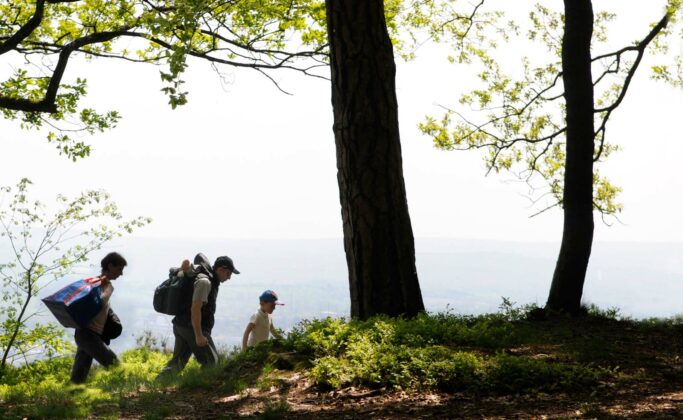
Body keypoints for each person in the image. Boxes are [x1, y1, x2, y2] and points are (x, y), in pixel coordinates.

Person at [157, 254, 239, 377]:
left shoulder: (206, 279)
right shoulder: (205, 282)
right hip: (192, 328)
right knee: (212, 363)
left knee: (177, 362)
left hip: (181, 325)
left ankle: (156, 386)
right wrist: (199, 335)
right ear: (221, 269)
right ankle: (203, 389)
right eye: (228, 274)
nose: (229, 278)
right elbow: (195, 309)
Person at [70, 252, 127, 384]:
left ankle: (71, 398)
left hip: (91, 334)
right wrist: (104, 286)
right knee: (114, 365)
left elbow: (104, 308)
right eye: (119, 269)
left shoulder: (106, 286)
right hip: (87, 334)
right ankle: (127, 390)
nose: (121, 273)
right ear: (110, 266)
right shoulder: (95, 285)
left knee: (79, 374)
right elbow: (94, 303)